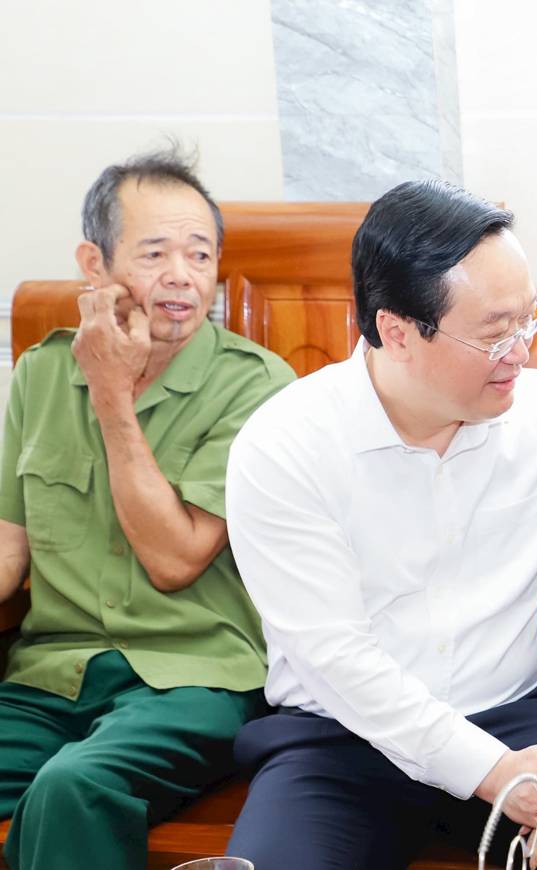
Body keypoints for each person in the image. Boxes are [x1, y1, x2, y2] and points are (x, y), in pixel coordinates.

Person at [223, 179, 537, 869]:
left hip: (508, 710)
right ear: (396, 332)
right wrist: (490, 773)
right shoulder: (286, 445)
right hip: (341, 736)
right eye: (493, 332)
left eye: (525, 320)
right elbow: (336, 660)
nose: (521, 351)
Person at [0, 147, 294, 870]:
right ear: (93, 266)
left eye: (200, 255)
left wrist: (110, 395)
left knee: (74, 787)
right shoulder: (40, 371)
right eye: (155, 252)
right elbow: (8, 552)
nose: (182, 276)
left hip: (193, 678)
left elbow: (173, 560)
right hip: (49, 678)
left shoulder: (254, 388)